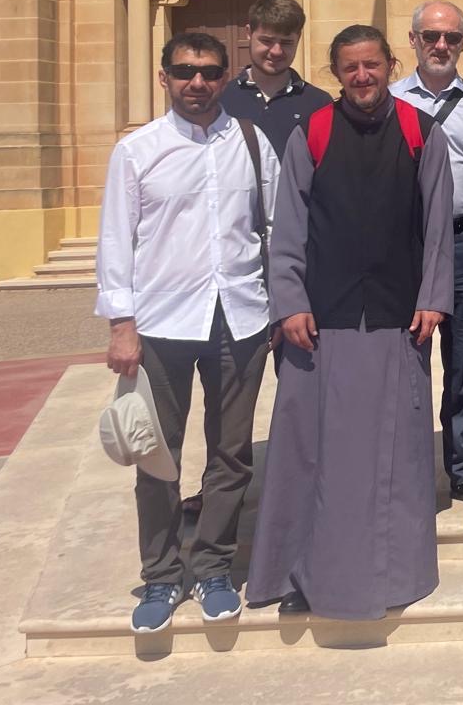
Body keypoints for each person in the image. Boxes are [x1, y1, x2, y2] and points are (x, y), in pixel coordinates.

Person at [246, 25, 452, 620]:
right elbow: (288, 223)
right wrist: (290, 302)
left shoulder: (421, 132)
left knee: (393, 455)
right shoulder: (309, 132)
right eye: (350, 67)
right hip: (320, 319)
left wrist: (433, 297)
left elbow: (438, 227)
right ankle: (299, 571)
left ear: (390, 65)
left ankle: (396, 575)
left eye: (372, 65)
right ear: (336, 73)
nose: (362, 76)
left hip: (398, 317)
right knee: (310, 451)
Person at [97, 31, 278, 633]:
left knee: (231, 454)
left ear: (225, 77)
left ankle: (213, 567)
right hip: (163, 323)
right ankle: (160, 574)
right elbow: (116, 241)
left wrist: (282, 306)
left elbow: (277, 226)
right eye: (183, 71)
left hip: (241, 317)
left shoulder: (251, 143)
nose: (196, 82)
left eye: (208, 72)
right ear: (164, 77)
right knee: (158, 455)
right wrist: (121, 325)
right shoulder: (137, 151)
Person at [392, 0, 463, 503]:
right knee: (407, 365)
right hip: (408, 249)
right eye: (431, 36)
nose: (441, 45)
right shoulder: (389, 101)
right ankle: (409, 473)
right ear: (414, 40)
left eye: (452, 37)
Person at [220, 0, 332, 155]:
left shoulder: (318, 103)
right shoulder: (221, 99)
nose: (276, 51)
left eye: (286, 43)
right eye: (267, 41)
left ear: (299, 38)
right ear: (249, 33)